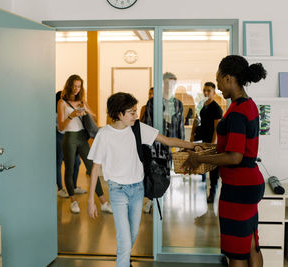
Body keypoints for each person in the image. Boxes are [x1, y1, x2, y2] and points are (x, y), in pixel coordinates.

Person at [87, 92, 200, 267]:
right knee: (124, 240)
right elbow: (95, 168)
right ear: (119, 114)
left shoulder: (138, 128)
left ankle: (124, 261)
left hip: (137, 190)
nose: (135, 115)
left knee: (131, 236)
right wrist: (90, 201)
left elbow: (167, 141)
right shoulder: (104, 135)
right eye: (131, 112)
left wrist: (193, 145)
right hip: (117, 191)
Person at [183, 55, 267, 267]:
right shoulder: (248, 105)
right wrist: (205, 150)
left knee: (236, 253)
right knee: (250, 244)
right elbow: (233, 148)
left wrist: (199, 158)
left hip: (238, 188)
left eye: (218, 79)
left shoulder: (238, 111)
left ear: (228, 78)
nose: (218, 85)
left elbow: (235, 156)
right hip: (249, 184)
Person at [57, 74, 112, 214]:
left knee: (92, 167)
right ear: (69, 86)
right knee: (69, 169)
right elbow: (61, 127)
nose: (76, 89)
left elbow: (93, 117)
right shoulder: (61, 103)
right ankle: (73, 201)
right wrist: (72, 115)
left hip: (82, 137)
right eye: (74, 86)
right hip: (69, 137)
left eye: (79, 86)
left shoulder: (82, 101)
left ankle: (104, 203)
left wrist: (85, 110)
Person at [142, 72, 184, 213]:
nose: (169, 86)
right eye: (166, 83)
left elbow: (180, 127)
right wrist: (146, 146)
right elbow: (147, 124)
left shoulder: (178, 104)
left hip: (169, 146)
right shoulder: (153, 102)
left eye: (172, 83)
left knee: (166, 174)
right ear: (163, 84)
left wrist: (181, 146)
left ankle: (159, 199)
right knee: (152, 172)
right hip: (155, 145)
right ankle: (151, 199)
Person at [190, 82, 223, 203]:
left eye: (209, 91)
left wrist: (212, 145)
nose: (206, 93)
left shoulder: (216, 108)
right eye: (204, 90)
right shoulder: (203, 106)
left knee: (214, 169)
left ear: (214, 93)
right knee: (205, 163)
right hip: (204, 140)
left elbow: (217, 129)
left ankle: (213, 192)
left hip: (213, 143)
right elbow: (199, 122)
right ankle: (204, 177)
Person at [56, 91, 84, 198]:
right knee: (59, 163)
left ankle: (74, 186)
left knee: (76, 162)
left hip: (72, 136)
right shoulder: (59, 109)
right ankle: (60, 188)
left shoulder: (71, 107)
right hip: (60, 137)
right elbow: (60, 127)